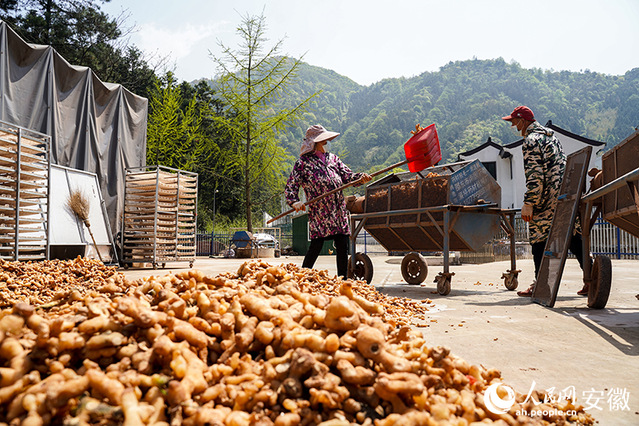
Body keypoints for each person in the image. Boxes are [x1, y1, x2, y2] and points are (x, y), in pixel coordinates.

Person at [501, 106, 587, 297]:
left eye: (515, 122)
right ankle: (592, 277)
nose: (514, 126)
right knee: (572, 234)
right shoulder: (552, 137)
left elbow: (535, 175)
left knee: (539, 237)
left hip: (547, 198)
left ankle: (542, 284)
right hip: (565, 194)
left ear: (523, 121)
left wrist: (530, 203)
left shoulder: (531, 141)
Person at [285, 124, 372, 278]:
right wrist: (294, 202)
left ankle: (343, 280)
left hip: (338, 211)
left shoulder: (333, 159)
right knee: (316, 245)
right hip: (320, 213)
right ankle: (302, 276)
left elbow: (348, 177)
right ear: (314, 143)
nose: (326, 143)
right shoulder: (303, 163)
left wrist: (360, 178)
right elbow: (291, 186)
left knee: (342, 244)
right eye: (323, 141)